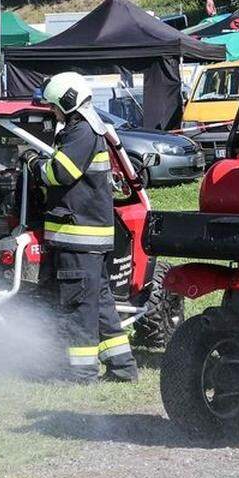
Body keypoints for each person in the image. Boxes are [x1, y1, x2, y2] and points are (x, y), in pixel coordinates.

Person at [24, 72, 138, 384]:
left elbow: (59, 172)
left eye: (54, 106)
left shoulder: (81, 131)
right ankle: (123, 367)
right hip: (90, 238)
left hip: (79, 236)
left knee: (79, 308)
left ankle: (82, 373)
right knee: (100, 305)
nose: (53, 112)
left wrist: (33, 162)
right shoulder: (86, 128)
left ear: (67, 101)